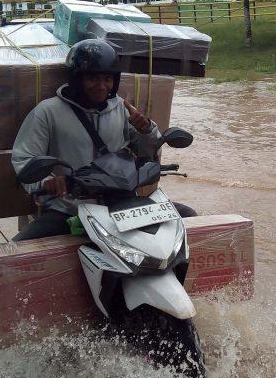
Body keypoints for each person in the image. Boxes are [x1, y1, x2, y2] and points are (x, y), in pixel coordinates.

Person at [11, 38, 196, 242]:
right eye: (93, 78)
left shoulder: (122, 108)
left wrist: (146, 130)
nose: (101, 86)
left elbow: (148, 152)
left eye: (107, 79)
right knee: (16, 251)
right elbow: (24, 158)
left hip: (121, 203)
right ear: (76, 78)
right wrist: (48, 182)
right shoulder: (47, 112)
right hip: (70, 208)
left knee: (188, 217)